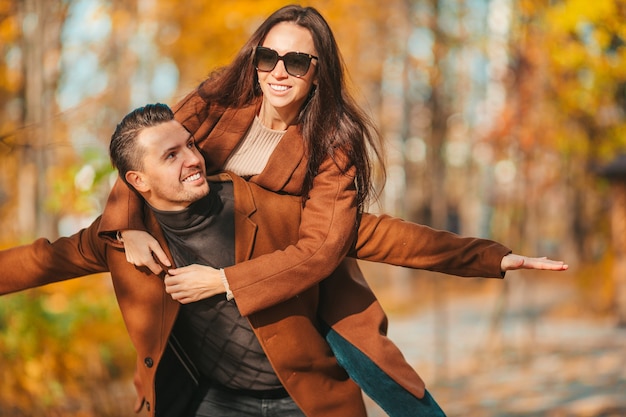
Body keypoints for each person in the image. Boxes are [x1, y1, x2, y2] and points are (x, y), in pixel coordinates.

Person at [96, 5, 568, 416]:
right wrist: (124, 227)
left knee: (393, 389)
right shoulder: (219, 98)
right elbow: (149, 151)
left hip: (299, 287)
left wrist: (489, 256)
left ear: (318, 72)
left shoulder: (332, 143)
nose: (278, 72)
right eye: (268, 57)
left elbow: (327, 246)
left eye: (296, 61)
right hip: (216, 325)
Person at [0, 104, 566, 417]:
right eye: (171, 156)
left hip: (303, 398)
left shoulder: (260, 205)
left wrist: (492, 257)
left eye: (190, 145)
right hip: (212, 403)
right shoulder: (121, 238)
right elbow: (37, 262)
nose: (193, 160)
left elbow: (374, 235)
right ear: (136, 181)